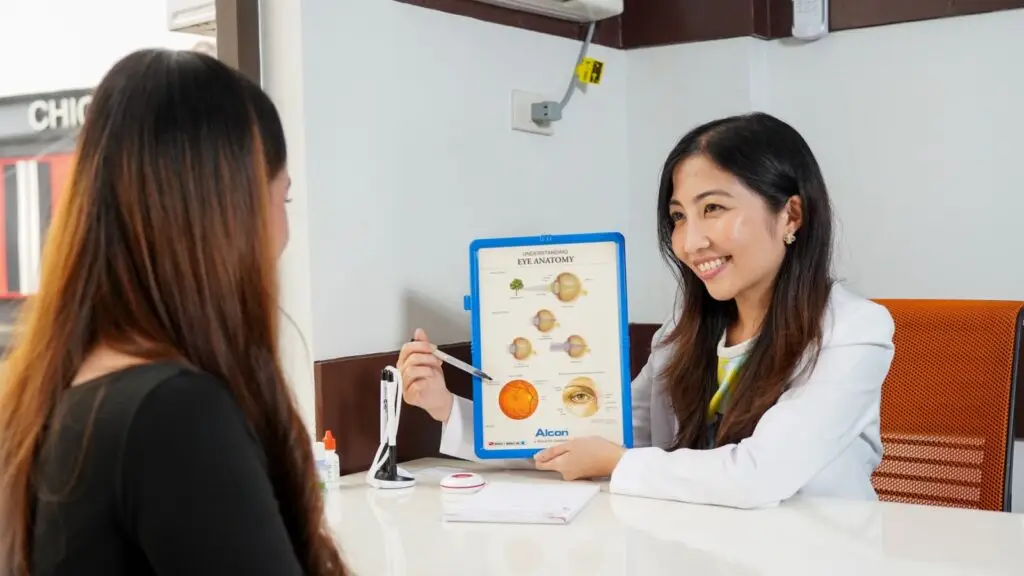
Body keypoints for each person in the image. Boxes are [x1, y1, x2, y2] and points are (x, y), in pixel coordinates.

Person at [398, 112, 895, 509]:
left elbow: (759, 476)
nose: (691, 240)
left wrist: (618, 463)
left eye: (714, 209)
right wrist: (448, 408)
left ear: (791, 214)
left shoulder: (853, 331)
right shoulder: (683, 333)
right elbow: (600, 438)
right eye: (679, 217)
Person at [0, 49, 347, 575]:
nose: (284, 235)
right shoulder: (173, 415)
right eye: (284, 201)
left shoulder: (52, 397)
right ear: (235, 212)